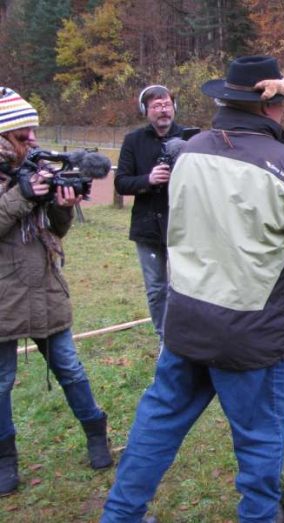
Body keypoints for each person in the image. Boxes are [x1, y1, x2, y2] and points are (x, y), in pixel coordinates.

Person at [101, 56, 284, 523]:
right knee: (260, 441)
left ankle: (120, 515)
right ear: (269, 106)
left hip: (187, 319)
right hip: (249, 332)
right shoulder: (283, 163)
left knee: (157, 423)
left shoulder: (188, 151)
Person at [0, 87, 112, 496]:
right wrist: (22, 195)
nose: (32, 141)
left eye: (33, 133)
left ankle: (96, 433)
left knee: (70, 369)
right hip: (3, 299)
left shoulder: (36, 167)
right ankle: (4, 459)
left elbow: (55, 232)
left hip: (44, 288)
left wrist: (62, 205)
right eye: (21, 135)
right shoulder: (19, 179)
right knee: (0, 383)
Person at [114, 84, 185, 346]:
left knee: (187, 287)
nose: (163, 110)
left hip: (183, 226)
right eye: (156, 106)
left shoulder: (190, 138)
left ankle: (188, 338)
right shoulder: (133, 141)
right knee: (157, 289)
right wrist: (148, 179)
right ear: (146, 111)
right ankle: (165, 341)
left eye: (166, 104)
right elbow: (121, 182)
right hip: (148, 227)